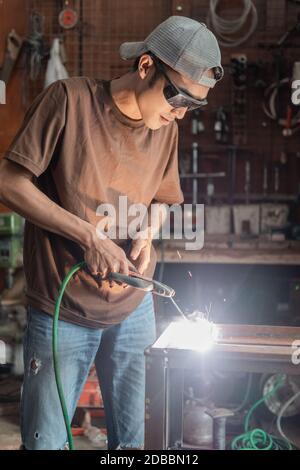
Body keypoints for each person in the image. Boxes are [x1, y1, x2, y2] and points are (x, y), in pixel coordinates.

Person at [0, 16, 223, 450]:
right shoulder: (67, 101)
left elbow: (161, 197)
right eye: (176, 96)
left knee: (133, 445)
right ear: (145, 67)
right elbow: (9, 182)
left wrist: (147, 236)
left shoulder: (166, 131)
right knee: (46, 442)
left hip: (133, 310)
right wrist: (89, 237)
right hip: (63, 309)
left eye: (192, 106)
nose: (179, 112)